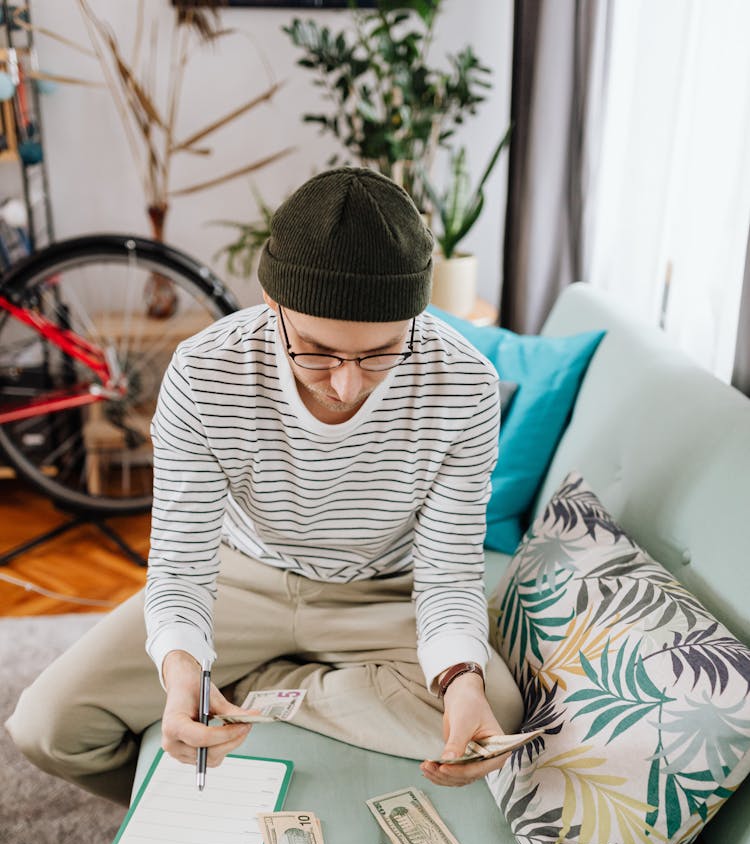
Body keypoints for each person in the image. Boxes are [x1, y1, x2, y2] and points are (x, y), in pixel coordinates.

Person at [7, 167, 524, 807]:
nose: (346, 386)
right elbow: (178, 563)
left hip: (383, 591)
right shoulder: (203, 372)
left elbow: (448, 572)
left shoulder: (465, 384)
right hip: (239, 577)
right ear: (271, 303)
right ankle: (265, 691)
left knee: (494, 706)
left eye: (379, 354)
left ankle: (263, 693)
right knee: (47, 726)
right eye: (318, 352)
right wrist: (183, 676)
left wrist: (462, 680)